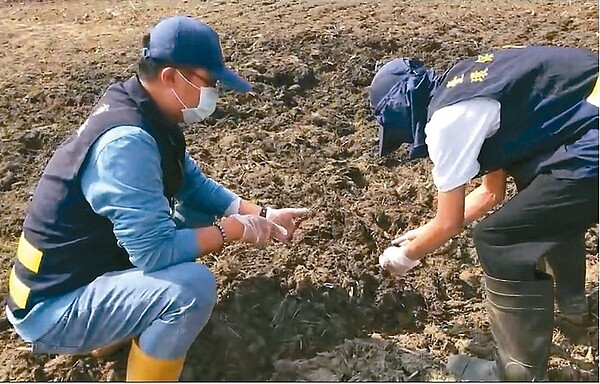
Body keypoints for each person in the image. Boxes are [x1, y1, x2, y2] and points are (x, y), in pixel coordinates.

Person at [5, 16, 308, 382]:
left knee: (194, 213)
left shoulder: (144, 111)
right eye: (208, 82)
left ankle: (121, 323)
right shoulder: (127, 143)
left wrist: (263, 213)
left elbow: (192, 186)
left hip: (86, 276)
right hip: (53, 310)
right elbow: (154, 253)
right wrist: (231, 231)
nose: (214, 93)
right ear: (170, 77)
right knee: (191, 289)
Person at [369, 46, 598, 381]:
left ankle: (516, 374)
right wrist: (423, 232)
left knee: (499, 239)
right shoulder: (470, 84)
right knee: (539, 192)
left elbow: (447, 223)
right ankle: (574, 307)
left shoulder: (447, 122)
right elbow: (491, 193)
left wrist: (405, 257)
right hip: (589, 121)